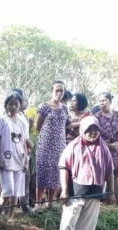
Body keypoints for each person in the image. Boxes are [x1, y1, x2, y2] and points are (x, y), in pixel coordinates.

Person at [53, 116, 115, 230]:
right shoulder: (73, 146)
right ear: (82, 130)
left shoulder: (103, 148)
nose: (92, 133)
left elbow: (109, 171)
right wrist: (65, 190)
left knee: (87, 226)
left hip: (95, 191)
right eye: (89, 130)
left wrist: (111, 192)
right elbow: (64, 168)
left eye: (95, 130)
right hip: (76, 191)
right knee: (68, 223)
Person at [0, 91, 28, 223]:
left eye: (16, 104)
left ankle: (11, 217)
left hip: (20, 159)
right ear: (6, 105)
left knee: (16, 191)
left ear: (20, 106)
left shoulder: (22, 123)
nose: (13, 107)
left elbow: (24, 143)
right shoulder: (1, 121)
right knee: (9, 189)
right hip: (6, 159)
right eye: (10, 104)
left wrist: (26, 162)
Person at [35, 81, 69, 210]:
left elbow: (68, 124)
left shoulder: (65, 108)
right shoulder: (44, 107)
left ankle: (50, 203)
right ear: (52, 91)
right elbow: (38, 126)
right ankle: (38, 204)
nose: (59, 93)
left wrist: (84, 122)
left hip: (59, 146)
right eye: (57, 90)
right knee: (42, 172)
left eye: (62, 91)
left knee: (55, 173)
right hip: (45, 145)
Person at [95, 92, 118, 206]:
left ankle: (117, 199)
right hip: (103, 149)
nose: (101, 103)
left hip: (116, 150)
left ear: (110, 101)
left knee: (116, 174)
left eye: (104, 100)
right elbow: (95, 136)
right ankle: (99, 201)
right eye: (100, 101)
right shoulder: (97, 117)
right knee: (102, 174)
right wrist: (109, 146)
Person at [13, 88, 34, 213]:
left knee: (25, 179)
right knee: (14, 179)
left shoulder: (23, 115)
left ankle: (24, 205)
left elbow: (26, 134)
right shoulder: (14, 116)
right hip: (17, 152)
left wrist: (30, 124)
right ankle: (6, 208)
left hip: (26, 151)